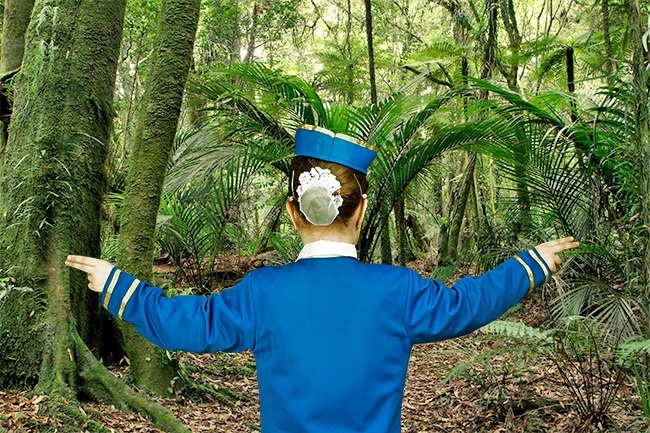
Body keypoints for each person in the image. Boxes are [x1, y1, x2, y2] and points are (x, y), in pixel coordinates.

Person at [66, 124, 580, 433]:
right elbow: (469, 303)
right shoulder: (398, 290)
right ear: (362, 212)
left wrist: (120, 287)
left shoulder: (264, 292)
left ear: (292, 212)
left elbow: (187, 323)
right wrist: (529, 265)